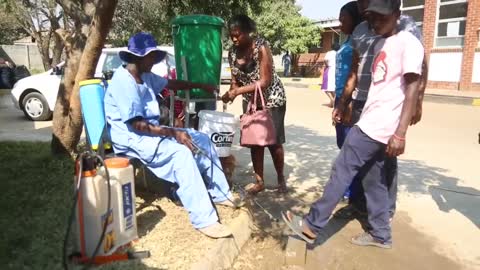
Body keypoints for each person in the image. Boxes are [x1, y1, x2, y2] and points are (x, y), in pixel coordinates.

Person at [283, 0, 424, 249]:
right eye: (372, 17)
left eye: (382, 17)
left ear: (397, 14)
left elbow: (412, 88)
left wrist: (400, 134)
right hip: (373, 120)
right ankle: (381, 234)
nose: (375, 22)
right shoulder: (382, 41)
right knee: (374, 181)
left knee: (342, 169)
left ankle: (311, 226)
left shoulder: (408, 43)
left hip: (379, 125)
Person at [104, 32, 242, 239]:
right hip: (133, 138)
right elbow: (137, 124)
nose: (153, 61)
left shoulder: (145, 75)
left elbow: (170, 84)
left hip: (152, 132)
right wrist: (174, 134)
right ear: (138, 57)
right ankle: (205, 220)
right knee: (181, 154)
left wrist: (200, 85)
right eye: (151, 57)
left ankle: (220, 192)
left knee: (202, 139)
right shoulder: (124, 82)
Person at [332, 0, 427, 220]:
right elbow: (354, 72)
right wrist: (343, 103)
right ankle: (358, 205)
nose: (362, 4)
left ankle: (386, 211)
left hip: (389, 105)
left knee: (384, 161)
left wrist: (418, 101)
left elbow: (421, 65)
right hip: (362, 103)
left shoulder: (405, 25)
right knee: (355, 160)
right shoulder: (359, 30)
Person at [222, 15, 287, 194]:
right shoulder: (232, 52)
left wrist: (237, 92)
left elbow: (265, 81)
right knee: (254, 141)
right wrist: (230, 93)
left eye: (237, 35)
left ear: (247, 32)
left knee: (274, 142)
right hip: (250, 101)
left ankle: (281, 179)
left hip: (272, 99)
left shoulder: (261, 47)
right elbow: (235, 80)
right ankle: (259, 181)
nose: (234, 39)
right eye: (231, 35)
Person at [333, 1, 363, 201]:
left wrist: (348, 102)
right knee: (343, 144)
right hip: (341, 97)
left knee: (350, 148)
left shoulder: (359, 41)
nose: (340, 23)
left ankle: (354, 194)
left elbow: (357, 74)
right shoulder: (348, 40)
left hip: (349, 99)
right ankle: (350, 189)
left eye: (344, 19)